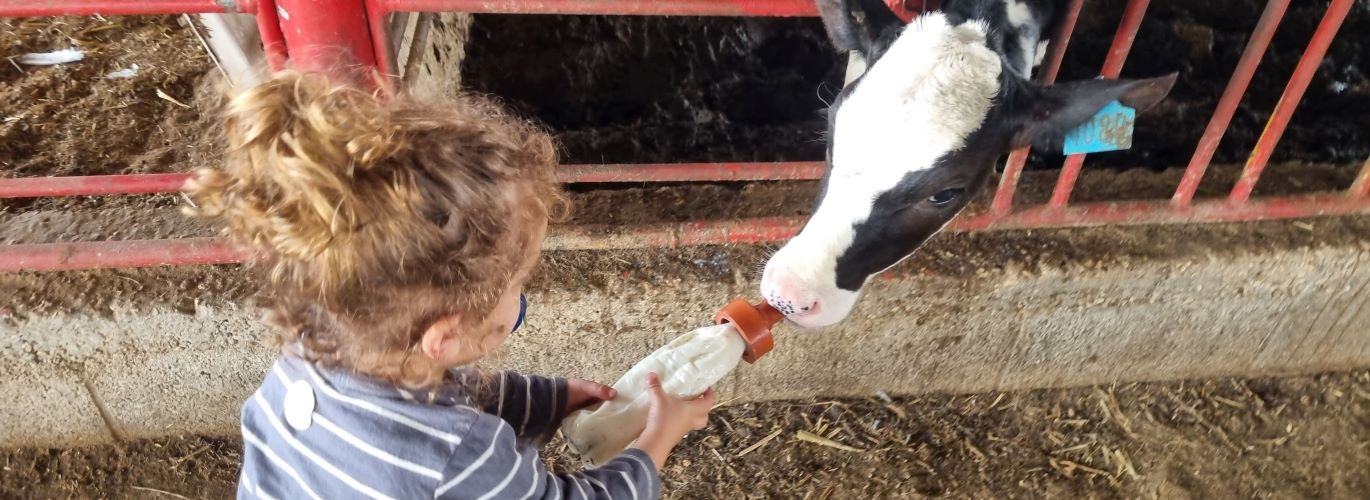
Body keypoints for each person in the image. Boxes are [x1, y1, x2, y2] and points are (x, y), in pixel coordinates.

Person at [186, 71, 715, 499]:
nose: (522, 295)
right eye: (520, 283)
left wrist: (553, 399)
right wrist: (655, 444)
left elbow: (447, 390)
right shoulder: (459, 455)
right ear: (445, 336)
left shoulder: (309, 359)